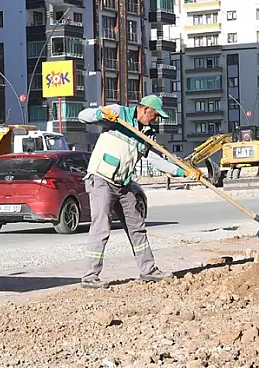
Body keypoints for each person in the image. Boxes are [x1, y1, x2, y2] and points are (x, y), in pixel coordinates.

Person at [77, 95, 200, 289]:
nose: (156, 119)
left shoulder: (148, 134)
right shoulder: (119, 113)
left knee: (137, 227)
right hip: (101, 179)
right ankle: (90, 276)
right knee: (101, 227)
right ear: (143, 109)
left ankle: (148, 270)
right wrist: (101, 113)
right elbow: (83, 116)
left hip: (123, 184)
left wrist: (182, 172)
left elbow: (157, 160)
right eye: (154, 115)